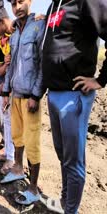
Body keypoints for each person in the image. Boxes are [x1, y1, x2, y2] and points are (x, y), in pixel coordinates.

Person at [42, 0, 107, 213]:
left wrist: (101, 80)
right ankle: (64, 202)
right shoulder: (54, 5)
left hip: (74, 94)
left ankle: (71, 210)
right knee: (63, 155)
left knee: (73, 161)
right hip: (54, 93)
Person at [0, 0, 45, 205]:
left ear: (30, 2)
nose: (17, 7)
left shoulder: (39, 25)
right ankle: (18, 169)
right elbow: (11, 64)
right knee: (17, 136)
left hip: (30, 98)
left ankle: (34, 188)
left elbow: (43, 63)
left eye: (20, 2)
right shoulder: (15, 33)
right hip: (16, 95)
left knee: (32, 142)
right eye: (13, 4)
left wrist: (36, 95)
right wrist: (6, 91)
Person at [0, 5, 15, 174]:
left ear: (2, 21)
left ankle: (14, 160)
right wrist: (7, 63)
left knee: (16, 124)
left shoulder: (19, 32)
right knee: (7, 121)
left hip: (21, 88)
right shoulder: (0, 42)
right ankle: (9, 154)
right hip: (6, 87)